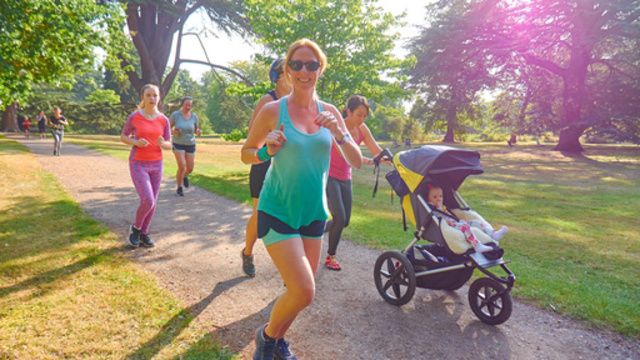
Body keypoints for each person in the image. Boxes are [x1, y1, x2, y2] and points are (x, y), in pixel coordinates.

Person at [241, 39, 362, 360]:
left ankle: (277, 340)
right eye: (296, 65)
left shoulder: (331, 113)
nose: (304, 70)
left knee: (300, 293)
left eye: (311, 65)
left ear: (320, 69)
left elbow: (357, 160)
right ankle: (266, 339)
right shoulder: (271, 110)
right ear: (287, 70)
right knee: (304, 291)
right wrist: (267, 151)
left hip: (313, 215)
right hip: (277, 210)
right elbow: (246, 154)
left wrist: (339, 132)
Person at [324, 95, 389, 271]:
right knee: (340, 217)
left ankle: (316, 229)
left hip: (346, 177)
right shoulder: (338, 126)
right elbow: (356, 158)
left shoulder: (363, 129)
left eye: (364, 116)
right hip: (329, 175)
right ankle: (331, 256)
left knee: (344, 222)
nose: (362, 119)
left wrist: (393, 162)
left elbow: (376, 151)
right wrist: (371, 161)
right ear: (348, 111)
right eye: (359, 115)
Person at [242, 57, 292, 278]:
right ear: (276, 76)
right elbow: (252, 135)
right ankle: (247, 252)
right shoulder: (267, 100)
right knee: (260, 214)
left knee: (289, 216)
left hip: (288, 168)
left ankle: (290, 271)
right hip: (264, 163)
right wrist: (269, 141)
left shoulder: (298, 102)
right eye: (286, 71)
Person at [120, 84, 172, 248]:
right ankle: (135, 229)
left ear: (159, 98)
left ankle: (144, 233)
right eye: (148, 95)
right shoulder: (135, 117)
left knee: (153, 202)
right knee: (148, 200)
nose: (152, 98)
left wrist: (163, 143)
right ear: (143, 97)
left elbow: (170, 144)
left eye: (155, 95)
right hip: (138, 163)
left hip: (157, 164)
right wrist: (135, 141)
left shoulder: (163, 120)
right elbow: (123, 136)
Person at [426, 184, 508, 253]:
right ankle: (477, 245)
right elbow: (439, 217)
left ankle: (494, 234)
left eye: (441, 196)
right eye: (434, 197)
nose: (439, 199)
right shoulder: (433, 210)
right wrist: (433, 206)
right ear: (428, 200)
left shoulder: (442, 207)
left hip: (458, 223)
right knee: (465, 227)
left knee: (476, 222)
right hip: (451, 226)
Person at [169, 96, 201, 197]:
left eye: (190, 105)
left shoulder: (194, 116)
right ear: (182, 104)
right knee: (182, 166)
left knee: (190, 168)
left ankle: (185, 176)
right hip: (178, 143)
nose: (188, 107)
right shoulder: (176, 115)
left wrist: (198, 131)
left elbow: (196, 129)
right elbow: (166, 129)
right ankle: (179, 187)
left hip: (190, 143)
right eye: (186, 105)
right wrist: (174, 132)